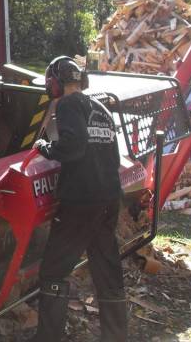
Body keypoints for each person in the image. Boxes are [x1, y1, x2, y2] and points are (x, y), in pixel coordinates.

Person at [30, 56, 127, 342]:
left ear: (55, 83)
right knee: (107, 270)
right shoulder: (99, 107)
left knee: (53, 271)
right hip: (109, 198)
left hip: (81, 202)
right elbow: (111, 155)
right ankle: (116, 336)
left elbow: (72, 147)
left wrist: (45, 147)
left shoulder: (69, 105)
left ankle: (48, 338)